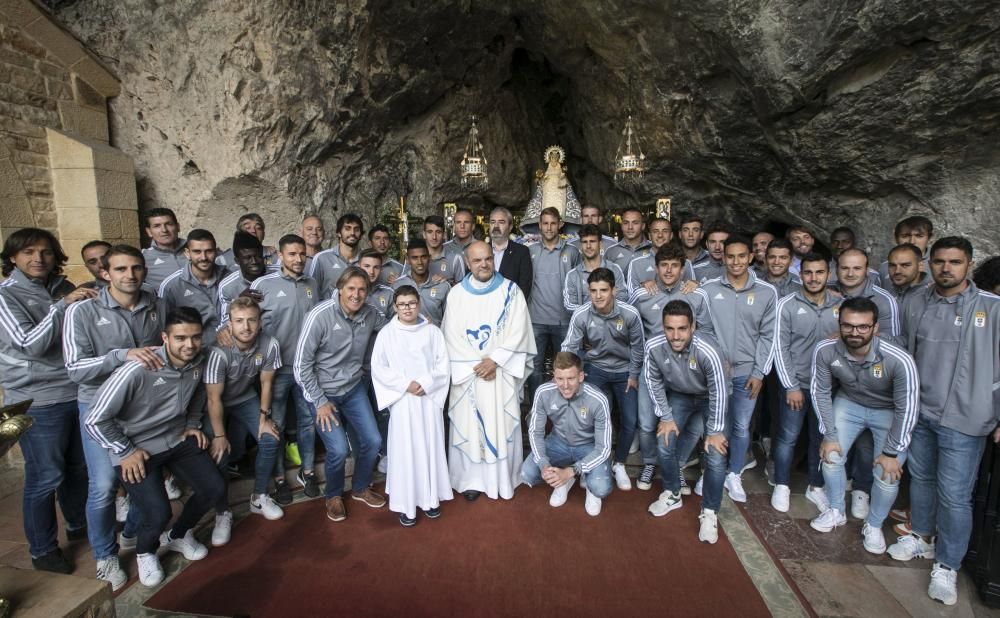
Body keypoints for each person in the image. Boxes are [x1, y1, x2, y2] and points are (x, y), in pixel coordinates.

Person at [889, 236, 1000, 606]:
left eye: (954, 262)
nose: (946, 268)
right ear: (929, 264)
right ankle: (920, 536)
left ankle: (948, 565)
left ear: (968, 264)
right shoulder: (917, 301)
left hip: (966, 416)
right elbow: (904, 353)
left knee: (955, 495)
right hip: (922, 411)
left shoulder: (991, 307)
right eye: (939, 262)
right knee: (921, 478)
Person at [84, 307, 225, 587]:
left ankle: (178, 536)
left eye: (196, 337)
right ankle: (145, 552)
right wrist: (124, 451)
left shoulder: (199, 361)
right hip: (136, 448)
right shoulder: (137, 369)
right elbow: (93, 419)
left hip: (175, 437)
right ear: (165, 338)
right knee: (158, 512)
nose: (190, 345)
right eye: (181, 338)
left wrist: (194, 423)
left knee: (215, 488)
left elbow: (198, 393)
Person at [63, 244, 161, 589]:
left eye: (135, 268)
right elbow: (75, 368)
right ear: (105, 273)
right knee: (104, 486)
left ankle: (133, 533)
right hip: (99, 408)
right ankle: (105, 556)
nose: (129, 275)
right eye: (120, 269)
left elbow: (165, 347)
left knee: (143, 475)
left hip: (140, 407)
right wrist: (123, 355)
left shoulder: (155, 305)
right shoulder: (83, 311)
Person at [0, 228, 93, 574]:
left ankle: (79, 524)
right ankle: (42, 549)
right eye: (28, 252)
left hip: (75, 391)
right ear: (12, 258)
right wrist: (61, 308)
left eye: (45, 252)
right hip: (36, 399)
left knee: (77, 469)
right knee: (45, 476)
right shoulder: (5, 296)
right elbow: (28, 345)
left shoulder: (62, 287)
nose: (38, 258)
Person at [809, 297, 920, 555]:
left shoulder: (898, 359)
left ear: (875, 328)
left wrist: (892, 452)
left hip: (888, 410)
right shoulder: (826, 349)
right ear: (839, 324)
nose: (854, 332)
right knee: (832, 455)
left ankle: (874, 524)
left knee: (887, 473)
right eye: (848, 326)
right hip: (849, 403)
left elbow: (909, 408)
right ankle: (836, 510)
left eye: (862, 327)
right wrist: (829, 434)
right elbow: (821, 392)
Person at [442, 241, 536, 501]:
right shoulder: (457, 294)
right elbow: (450, 335)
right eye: (477, 260)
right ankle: (470, 479)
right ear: (468, 262)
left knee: (500, 424)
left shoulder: (511, 291)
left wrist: (495, 360)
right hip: (470, 375)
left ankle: (503, 479)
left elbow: (519, 330)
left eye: (488, 259)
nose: (483, 265)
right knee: (469, 426)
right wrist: (479, 365)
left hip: (500, 374)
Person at [295, 266, 388, 522]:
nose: (356, 295)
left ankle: (359, 488)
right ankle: (333, 495)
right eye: (351, 289)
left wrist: (420, 325)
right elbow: (300, 365)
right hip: (323, 393)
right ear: (339, 288)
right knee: (337, 449)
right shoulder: (320, 315)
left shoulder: (371, 314)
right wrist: (320, 402)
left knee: (373, 441)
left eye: (361, 289)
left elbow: (393, 330)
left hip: (354, 386)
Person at [629, 243, 715, 491]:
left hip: (684, 372)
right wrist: (635, 368)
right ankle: (648, 462)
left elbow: (707, 331)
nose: (668, 270)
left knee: (685, 425)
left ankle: (676, 465)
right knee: (646, 423)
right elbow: (631, 331)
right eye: (664, 265)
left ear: (683, 268)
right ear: (656, 267)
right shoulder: (642, 294)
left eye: (674, 265)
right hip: (650, 369)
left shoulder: (696, 294)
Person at [644, 300, 730, 544]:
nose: (675, 335)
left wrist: (714, 431)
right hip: (680, 394)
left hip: (710, 397)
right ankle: (672, 493)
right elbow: (652, 381)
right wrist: (666, 417)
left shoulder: (707, 350)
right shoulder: (654, 346)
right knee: (664, 440)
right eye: (670, 329)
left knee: (715, 452)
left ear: (692, 327)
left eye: (682, 328)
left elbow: (720, 392)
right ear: (663, 327)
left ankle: (710, 511)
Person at [702, 236, 777, 502]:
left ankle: (734, 473)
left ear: (750, 257)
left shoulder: (767, 292)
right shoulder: (709, 289)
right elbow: (703, 328)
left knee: (741, 426)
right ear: (723, 257)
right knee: (714, 423)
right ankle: (712, 471)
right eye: (730, 256)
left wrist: (759, 373)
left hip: (747, 372)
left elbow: (769, 336)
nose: (735, 262)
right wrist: (715, 357)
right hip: (717, 372)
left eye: (741, 256)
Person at [371, 286, 453, 527]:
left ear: (419, 304)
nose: (407, 308)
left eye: (412, 303)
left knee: (430, 447)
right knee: (406, 452)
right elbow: (379, 367)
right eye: (402, 304)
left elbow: (442, 364)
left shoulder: (432, 332)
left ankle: (431, 499)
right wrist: (406, 384)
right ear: (395, 307)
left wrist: (425, 383)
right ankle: (407, 505)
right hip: (404, 401)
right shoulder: (387, 334)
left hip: (428, 399)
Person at [203, 297, 284, 540]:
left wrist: (263, 417)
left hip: (245, 397)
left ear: (260, 322)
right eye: (239, 321)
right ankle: (222, 511)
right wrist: (219, 436)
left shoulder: (270, 344)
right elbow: (213, 399)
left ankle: (258, 497)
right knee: (220, 451)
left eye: (251, 320)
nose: (245, 327)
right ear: (229, 323)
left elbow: (266, 382)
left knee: (270, 438)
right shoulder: (218, 351)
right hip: (217, 403)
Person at [770, 252, 841, 514]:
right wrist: (791, 386)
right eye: (808, 272)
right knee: (788, 437)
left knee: (819, 437)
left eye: (819, 272)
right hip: (796, 384)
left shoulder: (840, 304)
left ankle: (816, 485)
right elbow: (780, 347)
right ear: (800, 275)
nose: (813, 278)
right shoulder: (786, 305)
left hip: (827, 386)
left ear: (828, 274)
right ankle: (782, 484)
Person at [250, 234, 319, 504]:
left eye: (302, 254)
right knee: (275, 425)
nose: (298, 259)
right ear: (280, 255)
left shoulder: (312, 283)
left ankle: (309, 471)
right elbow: (249, 323)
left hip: (305, 369)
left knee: (307, 422)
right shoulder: (263, 285)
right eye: (292, 254)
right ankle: (279, 479)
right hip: (275, 370)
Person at [561, 268, 644, 491]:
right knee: (592, 419)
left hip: (624, 371)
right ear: (588, 291)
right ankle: (596, 463)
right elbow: (569, 347)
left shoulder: (629, 314)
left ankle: (620, 463)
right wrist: (573, 375)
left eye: (604, 290)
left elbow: (638, 347)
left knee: (629, 420)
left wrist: (634, 375)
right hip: (596, 369)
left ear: (614, 290)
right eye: (594, 290)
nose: (598, 296)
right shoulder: (582, 314)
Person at [521, 352, 612, 515]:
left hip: (588, 447)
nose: (565, 385)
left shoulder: (598, 399)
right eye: (559, 379)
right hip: (558, 442)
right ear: (554, 377)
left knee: (600, 488)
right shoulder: (543, 392)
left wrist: (571, 471)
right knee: (528, 473)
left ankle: (586, 484)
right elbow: (535, 432)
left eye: (571, 378)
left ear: (581, 376)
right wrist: (544, 464)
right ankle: (562, 482)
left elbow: (604, 448)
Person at [527, 207, 580, 397]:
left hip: (564, 321)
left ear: (560, 225)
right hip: (536, 320)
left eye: (553, 223)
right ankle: (535, 409)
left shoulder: (572, 252)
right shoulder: (530, 251)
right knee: (534, 367)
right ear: (540, 226)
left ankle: (564, 408)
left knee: (566, 368)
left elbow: (578, 284)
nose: (549, 227)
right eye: (545, 223)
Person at [158, 229, 225, 346]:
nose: (203, 257)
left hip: (231, 349)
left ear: (216, 251)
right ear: (187, 253)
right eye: (197, 252)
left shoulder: (229, 277)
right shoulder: (172, 285)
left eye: (209, 251)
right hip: (195, 351)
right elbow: (164, 326)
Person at [834, 248, 900, 343]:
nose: (850, 274)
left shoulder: (884, 300)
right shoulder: (825, 291)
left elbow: (892, 342)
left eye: (857, 268)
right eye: (844, 268)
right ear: (836, 269)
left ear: (867, 270)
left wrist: (848, 335)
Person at [563, 224, 627, 314]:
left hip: (611, 324)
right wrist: (599, 310)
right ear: (581, 245)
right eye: (585, 242)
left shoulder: (614, 269)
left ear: (600, 244)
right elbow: (570, 306)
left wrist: (599, 310)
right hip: (585, 327)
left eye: (592, 241)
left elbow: (623, 298)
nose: (588, 246)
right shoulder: (573, 275)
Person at [392, 239, 451, 326]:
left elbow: (450, 320)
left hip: (435, 337)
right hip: (405, 338)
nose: (420, 262)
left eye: (423, 257)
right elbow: (393, 319)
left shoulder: (443, 286)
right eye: (414, 258)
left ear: (429, 258)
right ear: (407, 260)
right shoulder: (397, 285)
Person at [625, 218, 693, 293]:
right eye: (655, 231)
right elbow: (631, 297)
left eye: (665, 231)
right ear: (650, 236)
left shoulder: (686, 263)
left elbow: (693, 292)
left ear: (671, 235)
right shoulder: (636, 263)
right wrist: (643, 287)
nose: (660, 235)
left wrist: (696, 284)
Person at [308, 212, 363, 297]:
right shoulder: (322, 258)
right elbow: (311, 291)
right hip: (330, 309)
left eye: (356, 229)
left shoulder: (367, 259)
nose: (352, 233)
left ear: (361, 234)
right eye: (347, 228)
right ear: (339, 233)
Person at [218, 231, 267, 324]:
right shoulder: (227, 286)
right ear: (237, 261)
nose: (254, 261)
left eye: (258, 256)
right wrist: (239, 302)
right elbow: (225, 323)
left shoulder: (277, 274)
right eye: (247, 258)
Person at [489, 206, 533, 300]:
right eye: (493, 222)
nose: (496, 226)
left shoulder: (521, 252)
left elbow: (524, 288)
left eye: (501, 222)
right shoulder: (480, 250)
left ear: (510, 227)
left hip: (510, 309)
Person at [407, 215, 465, 286]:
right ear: (424, 234)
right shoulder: (414, 257)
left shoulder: (455, 259)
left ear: (444, 235)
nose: (434, 237)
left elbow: (463, 290)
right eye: (430, 232)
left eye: (438, 232)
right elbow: (405, 280)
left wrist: (447, 284)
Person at [142, 207, 187, 289]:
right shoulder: (142, 258)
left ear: (178, 227)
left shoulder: (197, 249)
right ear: (149, 231)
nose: (164, 230)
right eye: (157, 226)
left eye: (169, 224)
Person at [878, 216, 933, 283]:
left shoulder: (938, 265)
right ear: (896, 238)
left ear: (929, 238)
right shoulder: (885, 267)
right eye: (905, 236)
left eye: (919, 236)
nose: (912, 241)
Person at [605, 207, 651, 275]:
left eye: (635, 223)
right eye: (626, 223)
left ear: (643, 226)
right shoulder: (611, 252)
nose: (630, 227)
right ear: (621, 225)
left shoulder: (653, 249)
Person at [358, 248, 395, 317]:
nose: (371, 272)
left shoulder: (389, 294)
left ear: (381, 269)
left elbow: (395, 324)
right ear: (358, 267)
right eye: (367, 266)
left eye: (376, 267)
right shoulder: (348, 291)